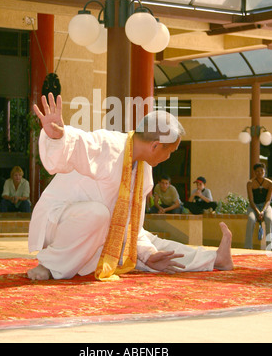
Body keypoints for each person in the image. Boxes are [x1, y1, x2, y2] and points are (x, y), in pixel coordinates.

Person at [27, 93, 233, 281]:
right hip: (61, 226)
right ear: (155, 146)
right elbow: (78, 144)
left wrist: (148, 254)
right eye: (170, 151)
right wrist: (58, 138)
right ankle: (50, 265)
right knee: (97, 214)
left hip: (100, 234)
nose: (168, 157)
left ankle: (215, 259)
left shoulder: (144, 170)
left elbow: (131, 227)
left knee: (153, 250)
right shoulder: (110, 144)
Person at [245, 163, 272, 250]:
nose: (260, 172)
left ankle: (270, 248)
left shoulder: (270, 184)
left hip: (265, 206)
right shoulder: (250, 183)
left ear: (265, 171)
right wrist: (258, 212)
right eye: (257, 171)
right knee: (251, 219)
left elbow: (268, 200)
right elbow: (251, 200)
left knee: (269, 219)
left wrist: (263, 211)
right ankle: (248, 247)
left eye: (262, 170)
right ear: (254, 172)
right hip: (254, 206)